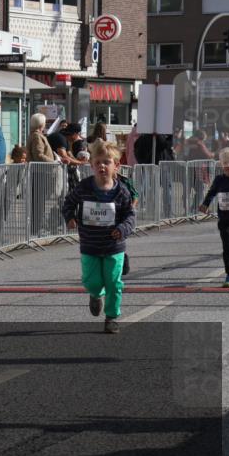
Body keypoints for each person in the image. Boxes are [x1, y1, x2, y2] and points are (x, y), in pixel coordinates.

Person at [63, 139, 136, 334]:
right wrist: (70, 217)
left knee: (114, 282)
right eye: (98, 162)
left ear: (116, 165)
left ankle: (111, 317)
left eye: (107, 162)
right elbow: (68, 203)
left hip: (114, 245)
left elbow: (130, 216)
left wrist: (122, 228)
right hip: (90, 244)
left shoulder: (121, 191)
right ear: (91, 165)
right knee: (91, 281)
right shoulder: (84, 187)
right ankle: (95, 294)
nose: (102, 166)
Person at [198, 147, 229, 288]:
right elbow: (212, 192)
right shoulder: (219, 180)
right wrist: (205, 204)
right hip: (225, 220)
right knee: (228, 249)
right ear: (221, 164)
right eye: (225, 163)